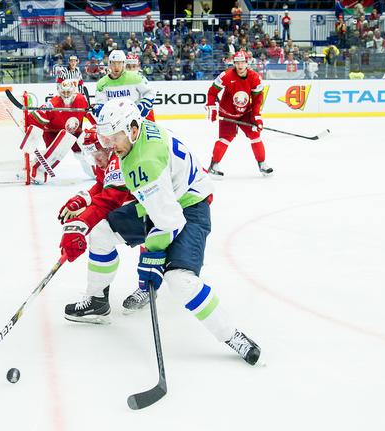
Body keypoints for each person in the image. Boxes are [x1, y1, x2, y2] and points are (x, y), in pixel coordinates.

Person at [60, 98, 262, 365]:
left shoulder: (142, 162)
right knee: (101, 234)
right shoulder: (138, 134)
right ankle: (97, 299)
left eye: (113, 139)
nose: (109, 147)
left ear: (132, 128)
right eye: (105, 139)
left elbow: (169, 222)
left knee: (179, 279)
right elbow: (116, 195)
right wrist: (83, 225)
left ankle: (231, 335)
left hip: (190, 207)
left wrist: (153, 258)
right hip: (164, 202)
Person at [59, 126, 151, 319]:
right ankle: (98, 299)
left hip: (163, 205)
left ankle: (146, 287)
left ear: (109, 147)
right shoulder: (108, 160)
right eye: (91, 154)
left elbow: (109, 199)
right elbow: (102, 185)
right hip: (144, 203)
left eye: (97, 152)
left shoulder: (118, 159)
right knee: (103, 232)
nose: (95, 159)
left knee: (149, 239)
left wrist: (81, 224)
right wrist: (82, 199)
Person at [205, 51, 271, 178]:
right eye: (237, 63)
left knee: (255, 135)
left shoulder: (255, 78)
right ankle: (213, 166)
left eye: (243, 62)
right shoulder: (226, 75)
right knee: (225, 139)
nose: (240, 66)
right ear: (234, 63)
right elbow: (212, 92)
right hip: (227, 113)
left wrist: (257, 117)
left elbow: (257, 100)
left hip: (246, 112)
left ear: (247, 63)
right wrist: (212, 107)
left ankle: (262, 164)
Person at [22, 80, 94, 184]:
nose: (66, 95)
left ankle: (96, 171)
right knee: (57, 151)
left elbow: (88, 113)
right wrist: (27, 122)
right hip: (53, 132)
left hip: (75, 131)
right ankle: (36, 170)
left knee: (85, 148)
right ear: (59, 92)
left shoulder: (81, 99)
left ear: (73, 91)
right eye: (63, 92)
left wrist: (96, 123)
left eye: (68, 92)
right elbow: (37, 116)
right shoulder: (53, 104)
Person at [94, 50, 156, 121]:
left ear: (124, 64)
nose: (116, 67)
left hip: (135, 119)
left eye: (119, 63)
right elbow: (101, 102)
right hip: (114, 120)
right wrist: (99, 108)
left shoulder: (136, 77)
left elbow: (150, 92)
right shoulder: (102, 83)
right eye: (113, 63)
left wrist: (144, 104)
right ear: (109, 64)